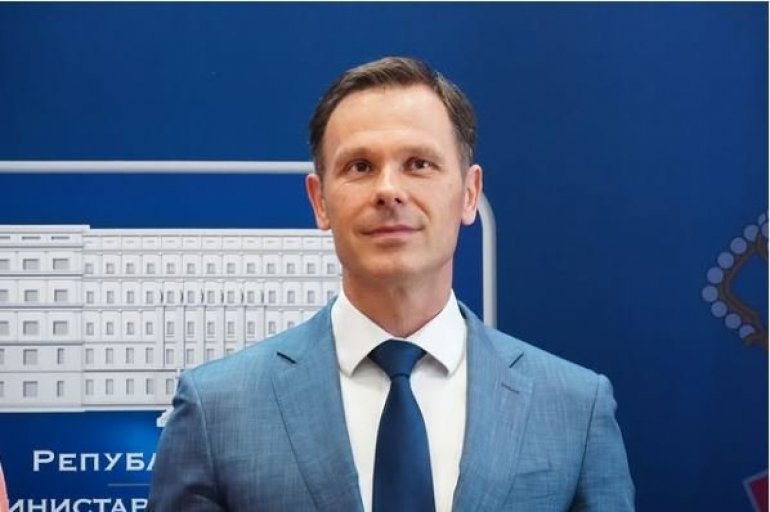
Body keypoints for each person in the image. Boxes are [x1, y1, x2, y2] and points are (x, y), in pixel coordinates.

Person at [148, 56, 634, 511]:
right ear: (320, 201)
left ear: (470, 194)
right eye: (359, 167)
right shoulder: (216, 410)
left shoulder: (574, 408)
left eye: (419, 164)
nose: (388, 190)